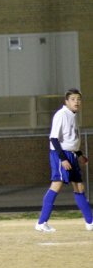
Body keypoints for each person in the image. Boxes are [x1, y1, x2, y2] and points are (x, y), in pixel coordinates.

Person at [35, 88, 93, 233]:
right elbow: (54, 138)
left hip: (71, 154)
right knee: (56, 185)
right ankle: (41, 222)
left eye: (78, 99)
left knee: (79, 188)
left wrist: (79, 154)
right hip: (61, 154)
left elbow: (70, 139)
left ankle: (90, 222)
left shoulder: (72, 115)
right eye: (73, 99)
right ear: (66, 101)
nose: (76, 102)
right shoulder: (61, 114)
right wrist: (63, 159)